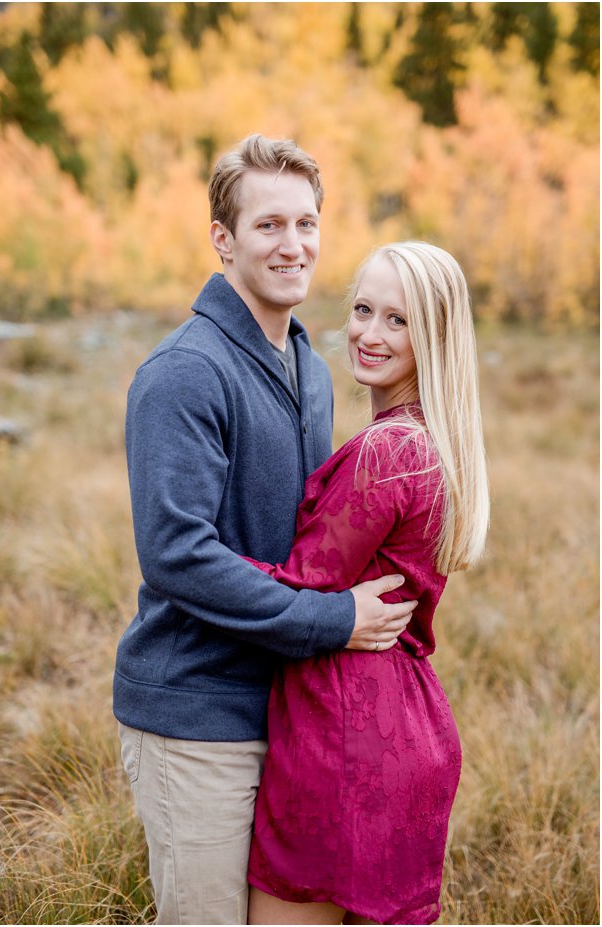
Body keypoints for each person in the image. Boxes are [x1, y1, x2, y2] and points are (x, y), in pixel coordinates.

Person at [113, 134, 419, 925]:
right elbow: (177, 556)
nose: (293, 245)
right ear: (222, 239)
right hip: (197, 715)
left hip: (291, 713)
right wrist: (333, 618)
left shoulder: (310, 368)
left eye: (306, 223)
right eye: (268, 226)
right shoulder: (184, 372)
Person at [246, 242, 489, 925]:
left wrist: (196, 558)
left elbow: (298, 586)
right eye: (362, 309)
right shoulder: (431, 443)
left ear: (433, 337)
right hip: (408, 729)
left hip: (344, 736)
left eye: (397, 321)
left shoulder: (386, 452)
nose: (368, 333)